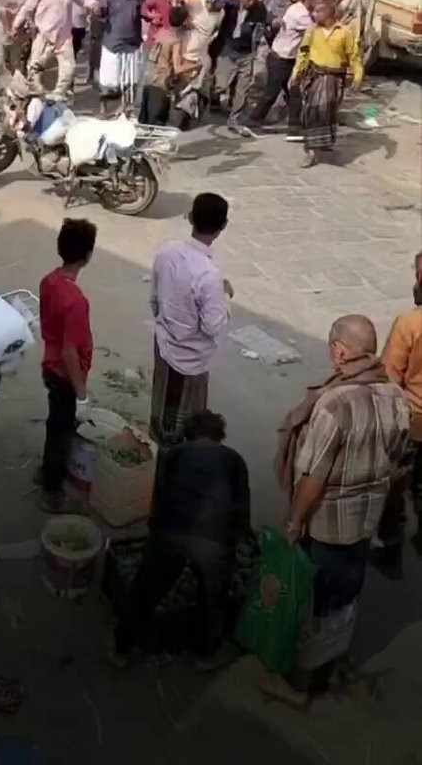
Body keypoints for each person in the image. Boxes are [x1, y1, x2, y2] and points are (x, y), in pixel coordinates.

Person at [270, 315, 409, 703]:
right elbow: (397, 459)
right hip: (366, 522)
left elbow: (313, 476)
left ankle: (301, 685)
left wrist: (294, 521)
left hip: (328, 526)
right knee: (346, 598)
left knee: (319, 602)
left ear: (340, 351)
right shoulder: (395, 397)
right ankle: (336, 664)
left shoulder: (334, 404)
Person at [112, 410, 250, 667]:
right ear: (219, 435)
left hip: (172, 531)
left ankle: (122, 649)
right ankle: (204, 657)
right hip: (214, 541)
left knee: (145, 590)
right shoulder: (235, 460)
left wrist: (156, 536)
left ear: (189, 434)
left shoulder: (175, 454)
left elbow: (159, 498)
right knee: (213, 599)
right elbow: (241, 512)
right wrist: (228, 550)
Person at [150, 193, 231, 446]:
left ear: (190, 218)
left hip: (164, 344)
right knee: (184, 423)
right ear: (222, 226)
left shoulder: (167, 252)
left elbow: (154, 300)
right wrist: (225, 296)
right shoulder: (209, 276)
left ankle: (158, 446)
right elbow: (212, 326)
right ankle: (175, 457)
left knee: (162, 403)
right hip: (190, 360)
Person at [39, 218, 97, 513]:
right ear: (87, 255)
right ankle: (52, 489)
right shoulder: (76, 301)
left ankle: (48, 473)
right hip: (64, 374)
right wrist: (82, 393)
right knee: (61, 432)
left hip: (50, 365)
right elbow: (70, 352)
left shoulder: (49, 281)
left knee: (55, 424)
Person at [371, 253, 422, 578]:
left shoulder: (410, 324)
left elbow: (389, 379)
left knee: (395, 485)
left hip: (413, 422)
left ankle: (390, 548)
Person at [291, 0, 363, 167]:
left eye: (318, 11)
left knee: (327, 113)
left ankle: (322, 142)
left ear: (329, 13)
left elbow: (354, 56)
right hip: (315, 77)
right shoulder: (312, 31)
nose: (313, 14)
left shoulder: (344, 32)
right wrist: (296, 74)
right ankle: (311, 151)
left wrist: (358, 76)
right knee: (313, 113)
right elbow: (303, 53)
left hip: (334, 80)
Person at [13, 0, 84, 102]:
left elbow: (82, 1)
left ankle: (58, 97)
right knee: (34, 69)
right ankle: (34, 100)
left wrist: (95, 5)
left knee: (69, 69)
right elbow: (28, 8)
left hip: (64, 37)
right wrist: (16, 25)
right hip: (44, 35)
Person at [249, 0, 314, 138]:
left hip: (288, 57)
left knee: (294, 92)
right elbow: (316, 30)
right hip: (281, 58)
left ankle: (294, 128)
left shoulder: (297, 8)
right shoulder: (300, 14)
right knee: (271, 93)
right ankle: (253, 122)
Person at [213, 0, 267, 133]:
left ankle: (235, 118)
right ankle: (211, 97)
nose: (251, 3)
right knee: (221, 85)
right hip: (228, 49)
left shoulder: (259, 8)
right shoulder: (231, 4)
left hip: (246, 52)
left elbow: (261, 27)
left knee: (242, 88)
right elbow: (214, 5)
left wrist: (256, 47)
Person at [98, 0, 144, 113]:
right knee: (108, 81)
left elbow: (145, 12)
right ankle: (103, 110)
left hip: (132, 44)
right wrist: (97, 11)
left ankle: (125, 109)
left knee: (130, 81)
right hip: (112, 42)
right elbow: (101, 12)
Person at [139, 5, 190, 126]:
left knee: (146, 119)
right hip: (162, 82)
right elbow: (178, 68)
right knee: (157, 122)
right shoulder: (175, 41)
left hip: (150, 78)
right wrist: (195, 65)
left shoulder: (160, 32)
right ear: (184, 21)